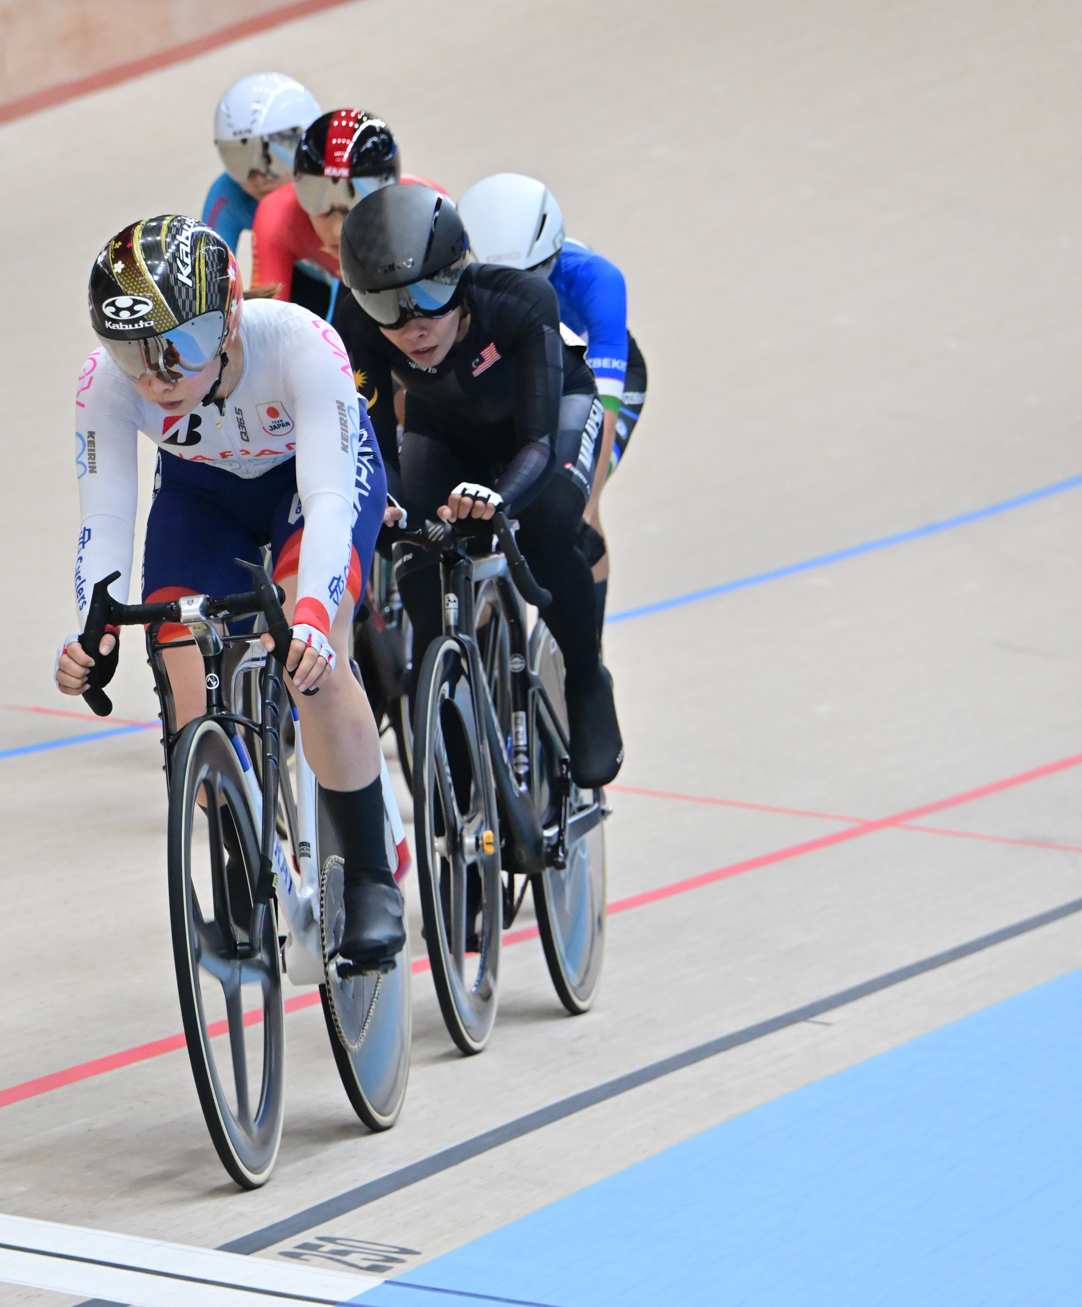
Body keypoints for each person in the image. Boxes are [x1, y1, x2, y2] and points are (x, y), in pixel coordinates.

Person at [56, 216, 405, 968]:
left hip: (308, 483)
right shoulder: (105, 386)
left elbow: (327, 494)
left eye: (177, 345)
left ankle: (375, 877)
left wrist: (312, 612)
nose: (155, 376)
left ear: (232, 317)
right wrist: (96, 625)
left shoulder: (301, 344)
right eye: (131, 353)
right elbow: (107, 518)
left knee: (313, 656)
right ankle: (249, 864)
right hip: (203, 496)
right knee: (185, 689)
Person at [335, 184, 622, 788]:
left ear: (461, 273)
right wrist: (386, 507)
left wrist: (504, 500)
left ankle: (586, 676)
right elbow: (374, 441)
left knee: (544, 532)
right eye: (389, 307)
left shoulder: (518, 299)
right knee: (419, 557)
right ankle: (459, 721)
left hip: (548, 417)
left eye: (431, 295)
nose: (414, 325)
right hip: (450, 432)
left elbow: (540, 444)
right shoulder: (355, 327)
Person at [457, 173, 647, 586]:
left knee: (574, 510)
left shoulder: (599, 280)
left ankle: (588, 648)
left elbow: (603, 406)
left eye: (531, 275)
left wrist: (582, 508)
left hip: (588, 376)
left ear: (552, 256)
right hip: (518, 367)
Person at [249, 109, 442, 323]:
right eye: (319, 203)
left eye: (357, 207)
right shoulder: (277, 214)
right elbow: (262, 323)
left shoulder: (428, 211)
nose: (336, 230)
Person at [202, 73, 321, 254]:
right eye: (239, 161)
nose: (257, 178)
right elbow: (209, 274)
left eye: (272, 159)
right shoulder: (228, 193)